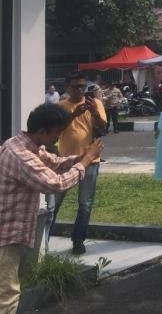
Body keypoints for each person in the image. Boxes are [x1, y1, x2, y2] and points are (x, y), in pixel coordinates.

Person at [0, 104, 103, 314]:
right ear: (42, 131)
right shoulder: (22, 156)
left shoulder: (27, 144)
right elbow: (55, 184)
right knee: (7, 294)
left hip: (9, 232)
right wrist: (84, 162)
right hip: (5, 236)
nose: (58, 138)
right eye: (57, 132)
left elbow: (54, 162)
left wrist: (79, 158)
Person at [48, 72, 107, 255]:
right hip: (65, 161)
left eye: (82, 86)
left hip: (90, 160)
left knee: (85, 203)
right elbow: (55, 132)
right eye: (75, 86)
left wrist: (94, 112)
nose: (80, 90)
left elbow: (103, 128)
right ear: (67, 88)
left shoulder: (95, 103)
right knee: (54, 203)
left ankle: (78, 240)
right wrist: (74, 115)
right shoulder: (61, 106)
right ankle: (44, 239)